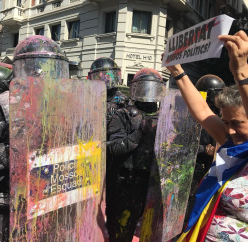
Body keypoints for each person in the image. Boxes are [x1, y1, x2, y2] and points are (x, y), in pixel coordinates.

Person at [0, 35, 70, 241]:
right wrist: (1, 152)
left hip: (54, 195)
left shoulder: (67, 104)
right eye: (38, 67)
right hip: (9, 199)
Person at [167, 30, 248, 241]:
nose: (229, 130)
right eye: (226, 122)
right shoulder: (233, 147)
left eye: (238, 123)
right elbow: (203, 112)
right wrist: (176, 71)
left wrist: (240, 72)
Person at [106, 68, 164, 242]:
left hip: (154, 185)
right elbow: (114, 147)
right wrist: (139, 133)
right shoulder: (123, 115)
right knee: (121, 232)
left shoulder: (165, 116)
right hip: (127, 185)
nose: (148, 93)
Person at [184, 75, 225, 226]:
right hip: (193, 168)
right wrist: (203, 149)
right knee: (189, 205)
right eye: (217, 93)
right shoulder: (190, 116)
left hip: (212, 167)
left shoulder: (222, 115)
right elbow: (180, 144)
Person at [88, 57, 130, 126]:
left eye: (109, 75)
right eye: (102, 75)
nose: (106, 79)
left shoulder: (123, 99)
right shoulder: (89, 98)